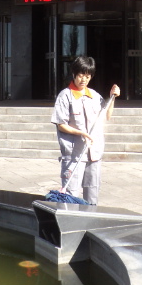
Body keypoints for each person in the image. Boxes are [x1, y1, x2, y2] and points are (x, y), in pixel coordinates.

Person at [50, 56, 120, 205]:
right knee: (71, 195)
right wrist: (81, 133)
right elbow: (60, 124)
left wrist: (112, 98)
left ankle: (91, 216)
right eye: (81, 75)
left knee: (92, 195)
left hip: (94, 153)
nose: (84, 80)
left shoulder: (94, 96)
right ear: (74, 74)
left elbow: (106, 115)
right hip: (74, 155)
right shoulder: (65, 96)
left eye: (88, 77)